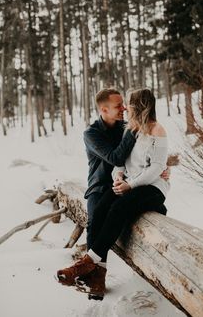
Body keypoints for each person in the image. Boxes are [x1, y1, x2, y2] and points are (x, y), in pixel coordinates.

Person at [57, 88, 169, 299]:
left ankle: (86, 266)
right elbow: (117, 158)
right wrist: (121, 172)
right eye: (119, 106)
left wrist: (158, 168)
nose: (124, 108)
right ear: (104, 109)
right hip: (101, 184)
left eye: (126, 105)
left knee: (117, 210)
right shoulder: (92, 133)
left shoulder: (128, 127)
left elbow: (150, 161)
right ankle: (95, 281)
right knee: (95, 218)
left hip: (131, 184)